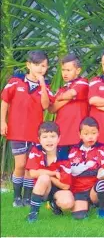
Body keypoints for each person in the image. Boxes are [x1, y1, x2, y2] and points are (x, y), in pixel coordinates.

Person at [1, 50, 54, 207]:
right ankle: (17, 197)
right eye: (37, 65)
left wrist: (43, 84)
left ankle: (27, 197)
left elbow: (46, 105)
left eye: (43, 66)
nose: (40, 69)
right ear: (28, 65)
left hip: (35, 134)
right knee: (20, 165)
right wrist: (2, 122)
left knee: (31, 167)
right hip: (17, 132)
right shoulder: (15, 82)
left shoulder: (45, 87)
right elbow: (4, 101)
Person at [25, 122, 74, 222]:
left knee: (68, 203)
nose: (49, 140)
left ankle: (54, 204)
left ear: (59, 138)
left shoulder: (64, 155)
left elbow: (66, 186)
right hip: (42, 188)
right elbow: (33, 173)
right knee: (44, 178)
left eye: (52, 136)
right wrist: (53, 174)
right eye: (45, 137)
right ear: (39, 139)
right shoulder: (36, 150)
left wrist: (50, 177)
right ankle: (33, 213)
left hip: (58, 188)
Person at [68, 117, 104, 220]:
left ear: (98, 133)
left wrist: (84, 170)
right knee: (79, 217)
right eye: (86, 134)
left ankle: (102, 210)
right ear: (80, 135)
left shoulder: (103, 149)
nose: (90, 137)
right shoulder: (74, 150)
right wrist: (93, 170)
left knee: (103, 182)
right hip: (78, 190)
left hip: (94, 190)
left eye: (93, 133)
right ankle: (86, 205)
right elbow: (72, 171)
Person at [49, 53, 89, 151]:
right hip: (61, 137)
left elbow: (70, 94)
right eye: (63, 70)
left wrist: (60, 99)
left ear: (78, 71)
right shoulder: (61, 89)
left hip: (78, 137)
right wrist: (66, 98)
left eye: (68, 70)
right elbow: (51, 109)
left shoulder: (83, 82)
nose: (65, 73)